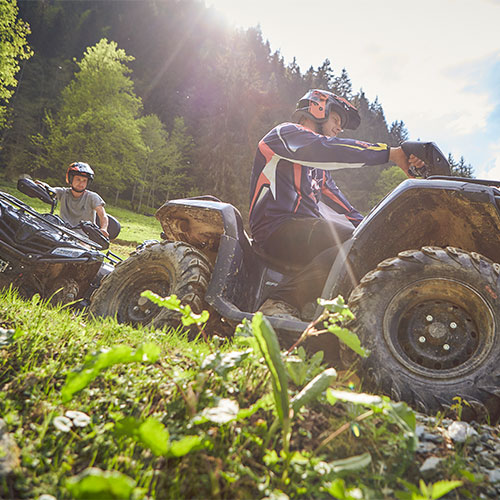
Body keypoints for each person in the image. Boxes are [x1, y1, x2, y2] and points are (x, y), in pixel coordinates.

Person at [249, 89, 424, 320]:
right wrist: (391, 154)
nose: (339, 128)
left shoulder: (318, 171)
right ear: (317, 109)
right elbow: (327, 149)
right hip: (275, 228)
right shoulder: (284, 134)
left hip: (303, 233)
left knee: (360, 240)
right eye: (336, 119)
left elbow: (348, 211)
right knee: (351, 241)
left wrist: (381, 235)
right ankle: (278, 303)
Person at [50, 162, 109, 238]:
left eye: (84, 180)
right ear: (71, 179)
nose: (81, 183)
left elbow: (102, 214)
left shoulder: (92, 197)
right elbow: (50, 190)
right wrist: (41, 185)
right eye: (78, 179)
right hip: (62, 233)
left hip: (85, 237)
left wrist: (104, 228)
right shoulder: (63, 193)